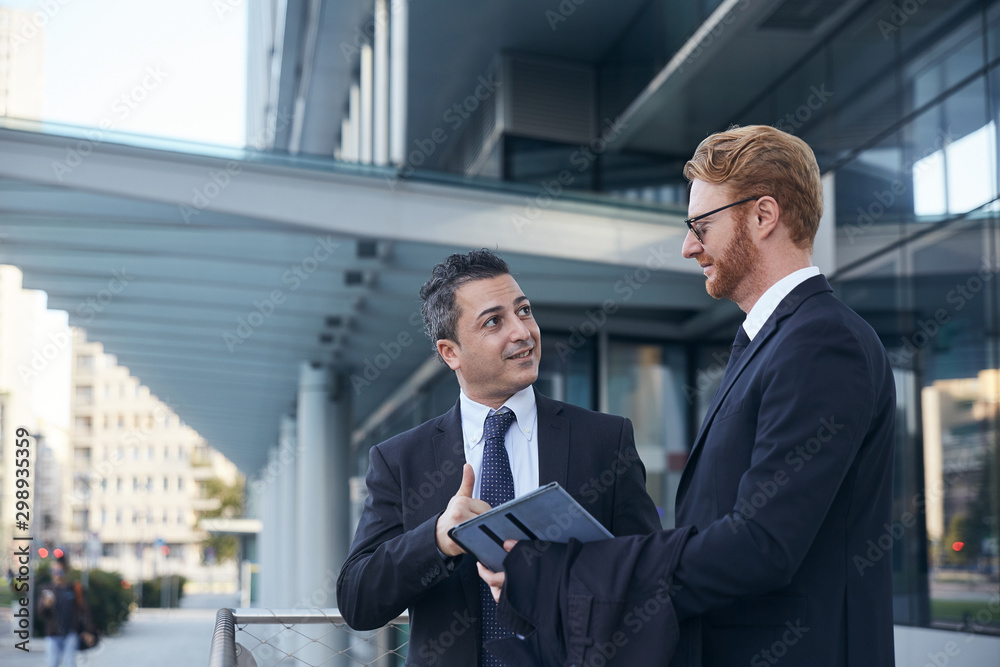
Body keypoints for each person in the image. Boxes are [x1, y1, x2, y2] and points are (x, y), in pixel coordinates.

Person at [493, 125, 897, 667]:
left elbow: (762, 544)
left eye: (701, 225)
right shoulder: (776, 339)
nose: (688, 246)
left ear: (762, 216)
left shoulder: (821, 342)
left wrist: (572, 571)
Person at [336, 249, 661, 666]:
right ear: (450, 352)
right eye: (494, 321)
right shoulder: (400, 458)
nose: (523, 332)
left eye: (523, 311)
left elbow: (650, 574)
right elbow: (357, 600)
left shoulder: (603, 440)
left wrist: (568, 574)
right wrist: (437, 538)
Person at [38, 555, 96, 667]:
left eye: (59, 571)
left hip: (70, 634)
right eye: (53, 571)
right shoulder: (47, 589)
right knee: (52, 664)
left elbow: (86, 611)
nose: (56, 575)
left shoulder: (74, 589)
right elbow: (40, 614)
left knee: (70, 664)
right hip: (53, 635)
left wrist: (89, 631)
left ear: (65, 571)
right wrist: (45, 605)